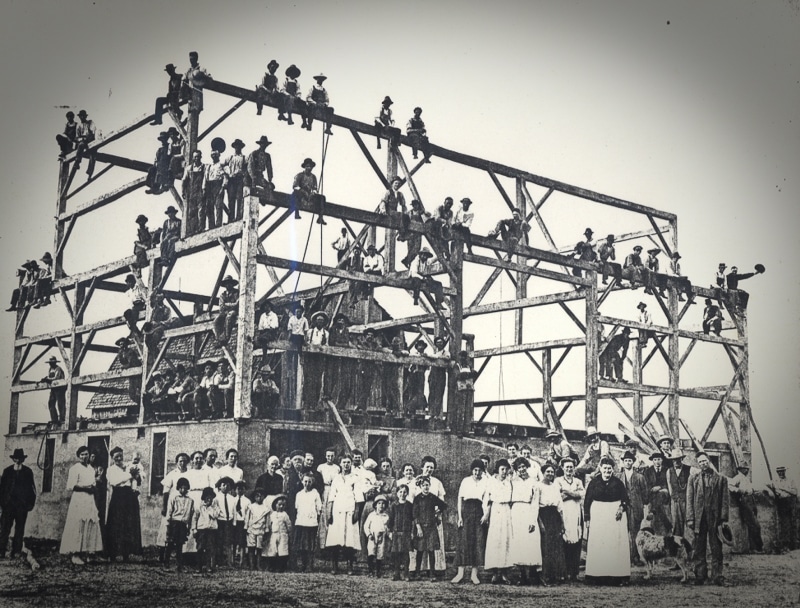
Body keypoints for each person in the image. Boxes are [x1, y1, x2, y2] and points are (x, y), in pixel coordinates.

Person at [583, 457, 630, 585]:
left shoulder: (618, 483)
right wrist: (587, 518)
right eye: (605, 468)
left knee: (615, 543)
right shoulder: (594, 483)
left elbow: (625, 499)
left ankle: (616, 575)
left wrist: (621, 508)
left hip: (615, 516)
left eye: (610, 468)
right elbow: (587, 501)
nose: (607, 471)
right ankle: (597, 575)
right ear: (600, 468)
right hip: (598, 515)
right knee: (599, 543)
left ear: (613, 469)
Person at [687, 451, 730, 585]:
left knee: (716, 548)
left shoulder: (721, 479)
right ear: (698, 464)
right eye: (700, 462)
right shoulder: (693, 479)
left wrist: (723, 519)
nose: (703, 464)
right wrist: (690, 518)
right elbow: (689, 499)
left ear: (709, 461)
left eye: (704, 461)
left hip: (715, 518)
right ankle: (700, 576)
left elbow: (724, 500)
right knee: (699, 548)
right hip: (699, 518)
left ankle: (717, 576)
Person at [60, 446, 104, 565]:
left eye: (86, 454)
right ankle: (76, 554)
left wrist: (94, 488)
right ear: (79, 456)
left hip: (89, 500)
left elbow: (93, 483)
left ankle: (90, 554)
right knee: (78, 524)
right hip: (79, 499)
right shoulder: (75, 468)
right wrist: (86, 489)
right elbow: (72, 485)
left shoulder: (90, 469)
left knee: (91, 523)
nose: (85, 456)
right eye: (82, 454)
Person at [451, 459, 488, 586]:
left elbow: (487, 500)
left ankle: (474, 574)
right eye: (475, 470)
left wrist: (485, 515)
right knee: (463, 542)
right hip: (466, 512)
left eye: (479, 470)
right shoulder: (466, 481)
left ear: (483, 471)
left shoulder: (485, 482)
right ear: (472, 470)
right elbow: (460, 499)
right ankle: (460, 574)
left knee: (477, 542)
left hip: (479, 511)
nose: (477, 473)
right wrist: (460, 517)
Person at [325, 454, 363, 575]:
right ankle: (334, 566)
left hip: (350, 510)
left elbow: (358, 496)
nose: (346, 465)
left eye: (348, 462)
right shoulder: (336, 478)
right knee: (335, 539)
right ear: (340, 464)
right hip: (337, 510)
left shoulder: (355, 478)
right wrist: (329, 512)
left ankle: (349, 566)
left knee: (350, 540)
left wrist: (356, 511)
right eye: (344, 462)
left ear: (351, 463)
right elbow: (331, 496)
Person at [105, 447, 143, 562]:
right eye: (116, 456)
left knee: (129, 524)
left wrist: (136, 476)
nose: (119, 458)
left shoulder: (128, 466)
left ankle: (127, 553)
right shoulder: (111, 469)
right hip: (118, 496)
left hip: (129, 496)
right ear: (112, 458)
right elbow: (114, 481)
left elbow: (138, 481)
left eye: (121, 455)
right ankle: (113, 554)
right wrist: (130, 475)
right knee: (116, 524)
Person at [509, 457, 542, 585]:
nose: (521, 469)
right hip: (516, 512)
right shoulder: (513, 481)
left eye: (523, 466)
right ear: (516, 470)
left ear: (527, 467)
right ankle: (521, 575)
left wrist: (532, 520)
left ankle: (530, 575)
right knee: (519, 542)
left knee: (530, 542)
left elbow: (535, 502)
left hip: (528, 510)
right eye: (519, 468)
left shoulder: (534, 482)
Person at [0, 448, 37, 559]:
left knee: (20, 529)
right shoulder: (7, 471)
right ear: (13, 459)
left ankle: (16, 551)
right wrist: (2, 504)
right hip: (8, 506)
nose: (18, 461)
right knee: (5, 528)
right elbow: (1, 489)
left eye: (20, 459)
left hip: (21, 506)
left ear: (23, 459)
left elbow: (32, 489)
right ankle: (1, 551)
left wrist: (29, 504)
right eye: (16, 458)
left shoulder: (28, 472)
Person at [483, 458, 513, 584]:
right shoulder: (491, 482)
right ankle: (495, 573)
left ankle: (504, 573)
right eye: (502, 469)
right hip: (495, 510)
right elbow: (487, 500)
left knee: (506, 540)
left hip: (506, 510)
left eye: (506, 469)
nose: (504, 472)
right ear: (498, 469)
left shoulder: (509, 482)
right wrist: (486, 515)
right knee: (495, 540)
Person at [412, 476, 447, 582]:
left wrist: (437, 513)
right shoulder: (417, 498)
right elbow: (414, 514)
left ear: (430, 486)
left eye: (427, 485)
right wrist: (418, 527)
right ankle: (417, 572)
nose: (425, 487)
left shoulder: (433, 497)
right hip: (421, 527)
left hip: (431, 527)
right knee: (420, 550)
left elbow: (443, 505)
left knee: (431, 550)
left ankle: (432, 573)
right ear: (420, 486)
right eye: (423, 485)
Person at [555, 457, 584, 581]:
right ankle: (564, 572)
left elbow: (581, 495)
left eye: (571, 467)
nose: (569, 469)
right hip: (564, 513)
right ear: (562, 468)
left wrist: (567, 492)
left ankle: (575, 573)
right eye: (567, 467)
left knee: (576, 542)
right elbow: (558, 497)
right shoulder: (558, 480)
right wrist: (573, 494)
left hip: (576, 513)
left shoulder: (578, 481)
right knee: (564, 542)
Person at [619, 451, 648, 566]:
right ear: (623, 462)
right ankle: (624, 557)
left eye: (630, 460)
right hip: (623, 508)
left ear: (633, 462)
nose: (628, 462)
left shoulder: (640, 477)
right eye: (626, 461)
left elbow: (645, 494)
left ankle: (635, 557)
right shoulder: (619, 476)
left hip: (636, 508)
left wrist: (641, 504)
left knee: (635, 533)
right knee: (623, 531)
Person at [728, 461, 763, 552]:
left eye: (747, 469)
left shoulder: (746, 478)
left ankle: (754, 547)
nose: (747, 470)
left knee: (754, 524)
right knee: (754, 524)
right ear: (741, 469)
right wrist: (739, 490)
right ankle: (756, 547)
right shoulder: (738, 477)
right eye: (745, 469)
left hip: (751, 500)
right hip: (744, 500)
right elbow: (730, 486)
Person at [163, 476, 194, 572]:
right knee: (170, 543)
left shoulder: (190, 500)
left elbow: (190, 514)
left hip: (183, 524)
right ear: (178, 488)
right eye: (181, 488)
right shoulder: (174, 497)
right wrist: (168, 524)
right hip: (174, 523)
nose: (183, 490)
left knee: (180, 545)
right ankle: (166, 564)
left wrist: (188, 527)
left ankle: (179, 565)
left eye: (185, 487)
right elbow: (169, 511)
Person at [293, 473, 322, 572]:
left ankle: (310, 565)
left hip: (311, 523)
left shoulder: (315, 493)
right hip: (301, 522)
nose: (307, 483)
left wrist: (315, 519)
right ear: (302, 482)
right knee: (301, 545)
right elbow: (297, 507)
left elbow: (319, 509)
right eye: (305, 481)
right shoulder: (299, 494)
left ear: (312, 482)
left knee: (310, 545)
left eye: (309, 482)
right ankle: (302, 564)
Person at [768, 466, 798, 552]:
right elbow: (772, 489)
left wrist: (783, 489)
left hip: (791, 502)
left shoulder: (790, 480)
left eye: (782, 471)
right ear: (777, 473)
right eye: (779, 472)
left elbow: (795, 492)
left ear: (785, 471)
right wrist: (776, 491)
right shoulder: (775, 481)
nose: (781, 473)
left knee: (793, 522)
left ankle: (794, 545)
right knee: (784, 523)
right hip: (782, 503)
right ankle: (786, 545)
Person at [388, 483, 414, 580]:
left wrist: (411, 532)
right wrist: (390, 532)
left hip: (406, 532)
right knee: (396, 554)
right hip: (396, 532)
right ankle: (396, 573)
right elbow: (390, 520)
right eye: (400, 492)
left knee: (406, 554)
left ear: (407, 493)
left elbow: (412, 520)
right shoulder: (394, 505)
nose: (402, 494)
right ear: (397, 493)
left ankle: (406, 574)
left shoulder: (409, 505)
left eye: (404, 492)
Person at [193, 486, 221, 574]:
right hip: (201, 529)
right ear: (204, 497)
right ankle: (199, 566)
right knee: (200, 548)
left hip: (211, 530)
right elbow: (195, 518)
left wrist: (210, 508)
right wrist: (194, 529)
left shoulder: (215, 507)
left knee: (210, 548)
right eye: (207, 497)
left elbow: (215, 515)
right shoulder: (199, 507)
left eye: (210, 497)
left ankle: (208, 566)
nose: (209, 499)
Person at [644, 451, 672, 535]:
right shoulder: (648, 471)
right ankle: (667, 526)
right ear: (652, 461)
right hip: (652, 498)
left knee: (661, 494)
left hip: (664, 498)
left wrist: (660, 487)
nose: (657, 461)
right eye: (655, 459)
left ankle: (653, 511)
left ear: (662, 460)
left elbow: (669, 483)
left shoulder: (667, 470)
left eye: (659, 459)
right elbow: (646, 485)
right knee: (655, 524)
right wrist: (653, 489)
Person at [666, 449, 692, 536]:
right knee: (676, 524)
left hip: (686, 501)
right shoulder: (669, 471)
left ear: (681, 459)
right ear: (672, 460)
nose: (676, 461)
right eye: (674, 459)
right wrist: (673, 497)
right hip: (675, 501)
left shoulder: (689, 469)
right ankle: (678, 545)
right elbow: (669, 485)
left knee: (688, 523)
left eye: (678, 459)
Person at [364, 494, 390, 577]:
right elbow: (366, 526)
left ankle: (378, 571)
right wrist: (369, 535)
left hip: (382, 537)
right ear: (375, 505)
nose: (381, 505)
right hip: (372, 536)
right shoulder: (371, 515)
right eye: (379, 503)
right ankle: (370, 571)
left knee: (380, 554)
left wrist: (388, 535)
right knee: (371, 552)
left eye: (383, 503)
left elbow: (387, 528)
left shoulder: (386, 516)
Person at [265, 494, 292, 572]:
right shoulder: (272, 514)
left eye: (283, 505)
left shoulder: (285, 515)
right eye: (279, 504)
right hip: (274, 534)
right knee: (272, 550)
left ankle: (281, 567)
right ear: (275, 505)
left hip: (283, 534)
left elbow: (289, 525)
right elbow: (269, 524)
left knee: (282, 549)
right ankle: (272, 566)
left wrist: (289, 533)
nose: (281, 507)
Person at [244, 487, 269, 570]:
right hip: (252, 529)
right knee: (251, 547)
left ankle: (258, 565)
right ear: (254, 497)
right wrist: (246, 527)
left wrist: (266, 529)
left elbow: (267, 520)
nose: (259, 497)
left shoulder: (266, 508)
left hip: (260, 529)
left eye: (261, 496)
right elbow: (247, 518)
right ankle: (251, 565)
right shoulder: (251, 507)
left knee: (259, 548)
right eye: (257, 496)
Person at [222, 138, 247, 221]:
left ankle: (239, 217)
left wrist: (242, 172)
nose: (237, 148)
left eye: (239, 146)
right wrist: (228, 172)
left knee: (239, 198)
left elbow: (248, 168)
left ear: (241, 147)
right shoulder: (230, 157)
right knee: (231, 199)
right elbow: (222, 165)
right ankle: (230, 218)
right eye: (236, 146)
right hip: (231, 180)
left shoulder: (244, 158)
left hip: (240, 180)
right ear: (234, 147)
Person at [213, 476, 235, 568]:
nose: (226, 487)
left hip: (228, 522)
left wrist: (234, 523)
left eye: (228, 485)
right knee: (219, 541)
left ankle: (229, 562)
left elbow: (234, 512)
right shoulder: (216, 498)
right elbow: (214, 510)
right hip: (220, 521)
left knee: (228, 542)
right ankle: (219, 561)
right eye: (223, 485)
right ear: (219, 487)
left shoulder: (232, 498)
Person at [213, 275, 239, 345]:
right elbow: (221, 306)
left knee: (229, 317)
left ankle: (226, 338)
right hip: (225, 312)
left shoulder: (237, 293)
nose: (228, 285)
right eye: (227, 283)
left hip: (234, 311)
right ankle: (218, 339)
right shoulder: (222, 295)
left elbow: (237, 304)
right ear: (225, 285)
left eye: (230, 283)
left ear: (232, 284)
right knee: (216, 321)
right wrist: (230, 305)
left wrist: (226, 304)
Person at [231, 480, 251, 567]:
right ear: (235, 490)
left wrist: (246, 525)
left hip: (242, 523)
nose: (239, 491)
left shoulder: (247, 501)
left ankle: (241, 561)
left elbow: (248, 514)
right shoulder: (232, 500)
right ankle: (232, 560)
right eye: (238, 489)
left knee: (242, 542)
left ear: (244, 490)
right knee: (233, 542)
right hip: (234, 523)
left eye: (242, 489)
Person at [427, 336, 448, 419]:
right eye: (438, 342)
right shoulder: (434, 353)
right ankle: (431, 414)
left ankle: (436, 415)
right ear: (436, 344)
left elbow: (448, 357)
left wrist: (437, 357)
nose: (439, 344)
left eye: (441, 342)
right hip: (433, 375)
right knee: (432, 394)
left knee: (439, 395)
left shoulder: (445, 352)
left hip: (440, 375)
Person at [42, 356, 67, 424]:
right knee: (51, 402)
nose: (51, 364)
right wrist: (45, 379)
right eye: (50, 363)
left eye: (52, 363)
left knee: (60, 403)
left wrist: (47, 379)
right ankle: (54, 419)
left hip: (60, 387)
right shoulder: (50, 369)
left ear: (55, 363)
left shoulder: (58, 369)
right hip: (54, 388)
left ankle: (62, 418)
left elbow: (56, 378)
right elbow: (50, 377)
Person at [74, 109, 97, 176]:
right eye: (81, 116)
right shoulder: (79, 126)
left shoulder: (90, 122)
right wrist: (81, 139)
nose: (82, 117)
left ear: (85, 116)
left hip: (90, 140)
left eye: (83, 116)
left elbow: (92, 132)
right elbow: (77, 137)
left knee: (93, 155)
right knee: (81, 144)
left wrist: (87, 135)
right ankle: (77, 162)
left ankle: (90, 173)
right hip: (83, 141)